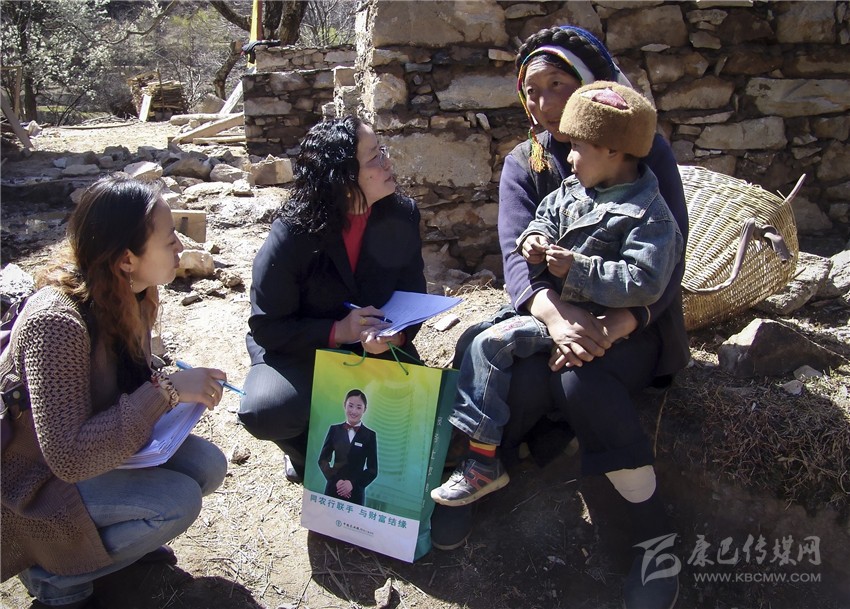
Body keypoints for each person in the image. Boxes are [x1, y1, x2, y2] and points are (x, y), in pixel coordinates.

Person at [431, 25, 690, 609]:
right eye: (532, 90)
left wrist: (618, 325)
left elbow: (667, 263)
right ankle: (480, 474)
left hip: (632, 322)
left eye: (558, 85)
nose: (544, 104)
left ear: (590, 87)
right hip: (552, 315)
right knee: (501, 365)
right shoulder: (525, 164)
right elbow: (517, 260)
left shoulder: (643, 152)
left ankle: (652, 541)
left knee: (580, 382)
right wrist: (557, 318)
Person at [0, 177, 228, 609]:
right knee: (177, 503)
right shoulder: (57, 323)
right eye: (169, 239)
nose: (180, 246)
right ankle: (52, 573)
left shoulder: (134, 293)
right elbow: (68, 458)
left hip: (96, 455)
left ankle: (115, 551)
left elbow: (125, 381)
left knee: (208, 466)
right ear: (127, 259)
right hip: (35, 485)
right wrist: (166, 392)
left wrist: (167, 388)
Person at [238, 116, 426, 484]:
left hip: (375, 348)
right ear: (343, 177)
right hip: (301, 351)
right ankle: (306, 457)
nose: (387, 162)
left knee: (422, 416)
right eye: (374, 157)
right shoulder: (293, 232)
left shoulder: (401, 215)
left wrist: (396, 336)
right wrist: (338, 331)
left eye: (382, 151)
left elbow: (413, 295)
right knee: (268, 410)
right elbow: (268, 326)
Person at [318, 389, 378, 505]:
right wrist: (336, 481)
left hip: (355, 494)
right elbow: (323, 460)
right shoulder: (334, 430)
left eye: (359, 407)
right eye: (350, 406)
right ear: (344, 405)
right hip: (333, 489)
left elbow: (372, 470)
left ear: (365, 409)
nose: (354, 411)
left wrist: (352, 484)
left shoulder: (370, 436)